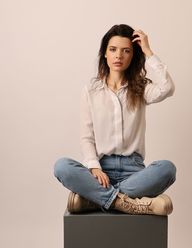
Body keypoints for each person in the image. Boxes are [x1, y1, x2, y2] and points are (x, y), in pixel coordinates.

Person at [54, 24, 176, 216]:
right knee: (62, 166)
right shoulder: (91, 91)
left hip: (134, 172)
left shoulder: (141, 88)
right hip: (101, 172)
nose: (119, 55)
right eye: (113, 49)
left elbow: (167, 88)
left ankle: (94, 200)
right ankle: (126, 202)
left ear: (133, 56)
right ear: (105, 53)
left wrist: (147, 51)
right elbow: (87, 137)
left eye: (126, 51)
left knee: (167, 169)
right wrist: (94, 167)